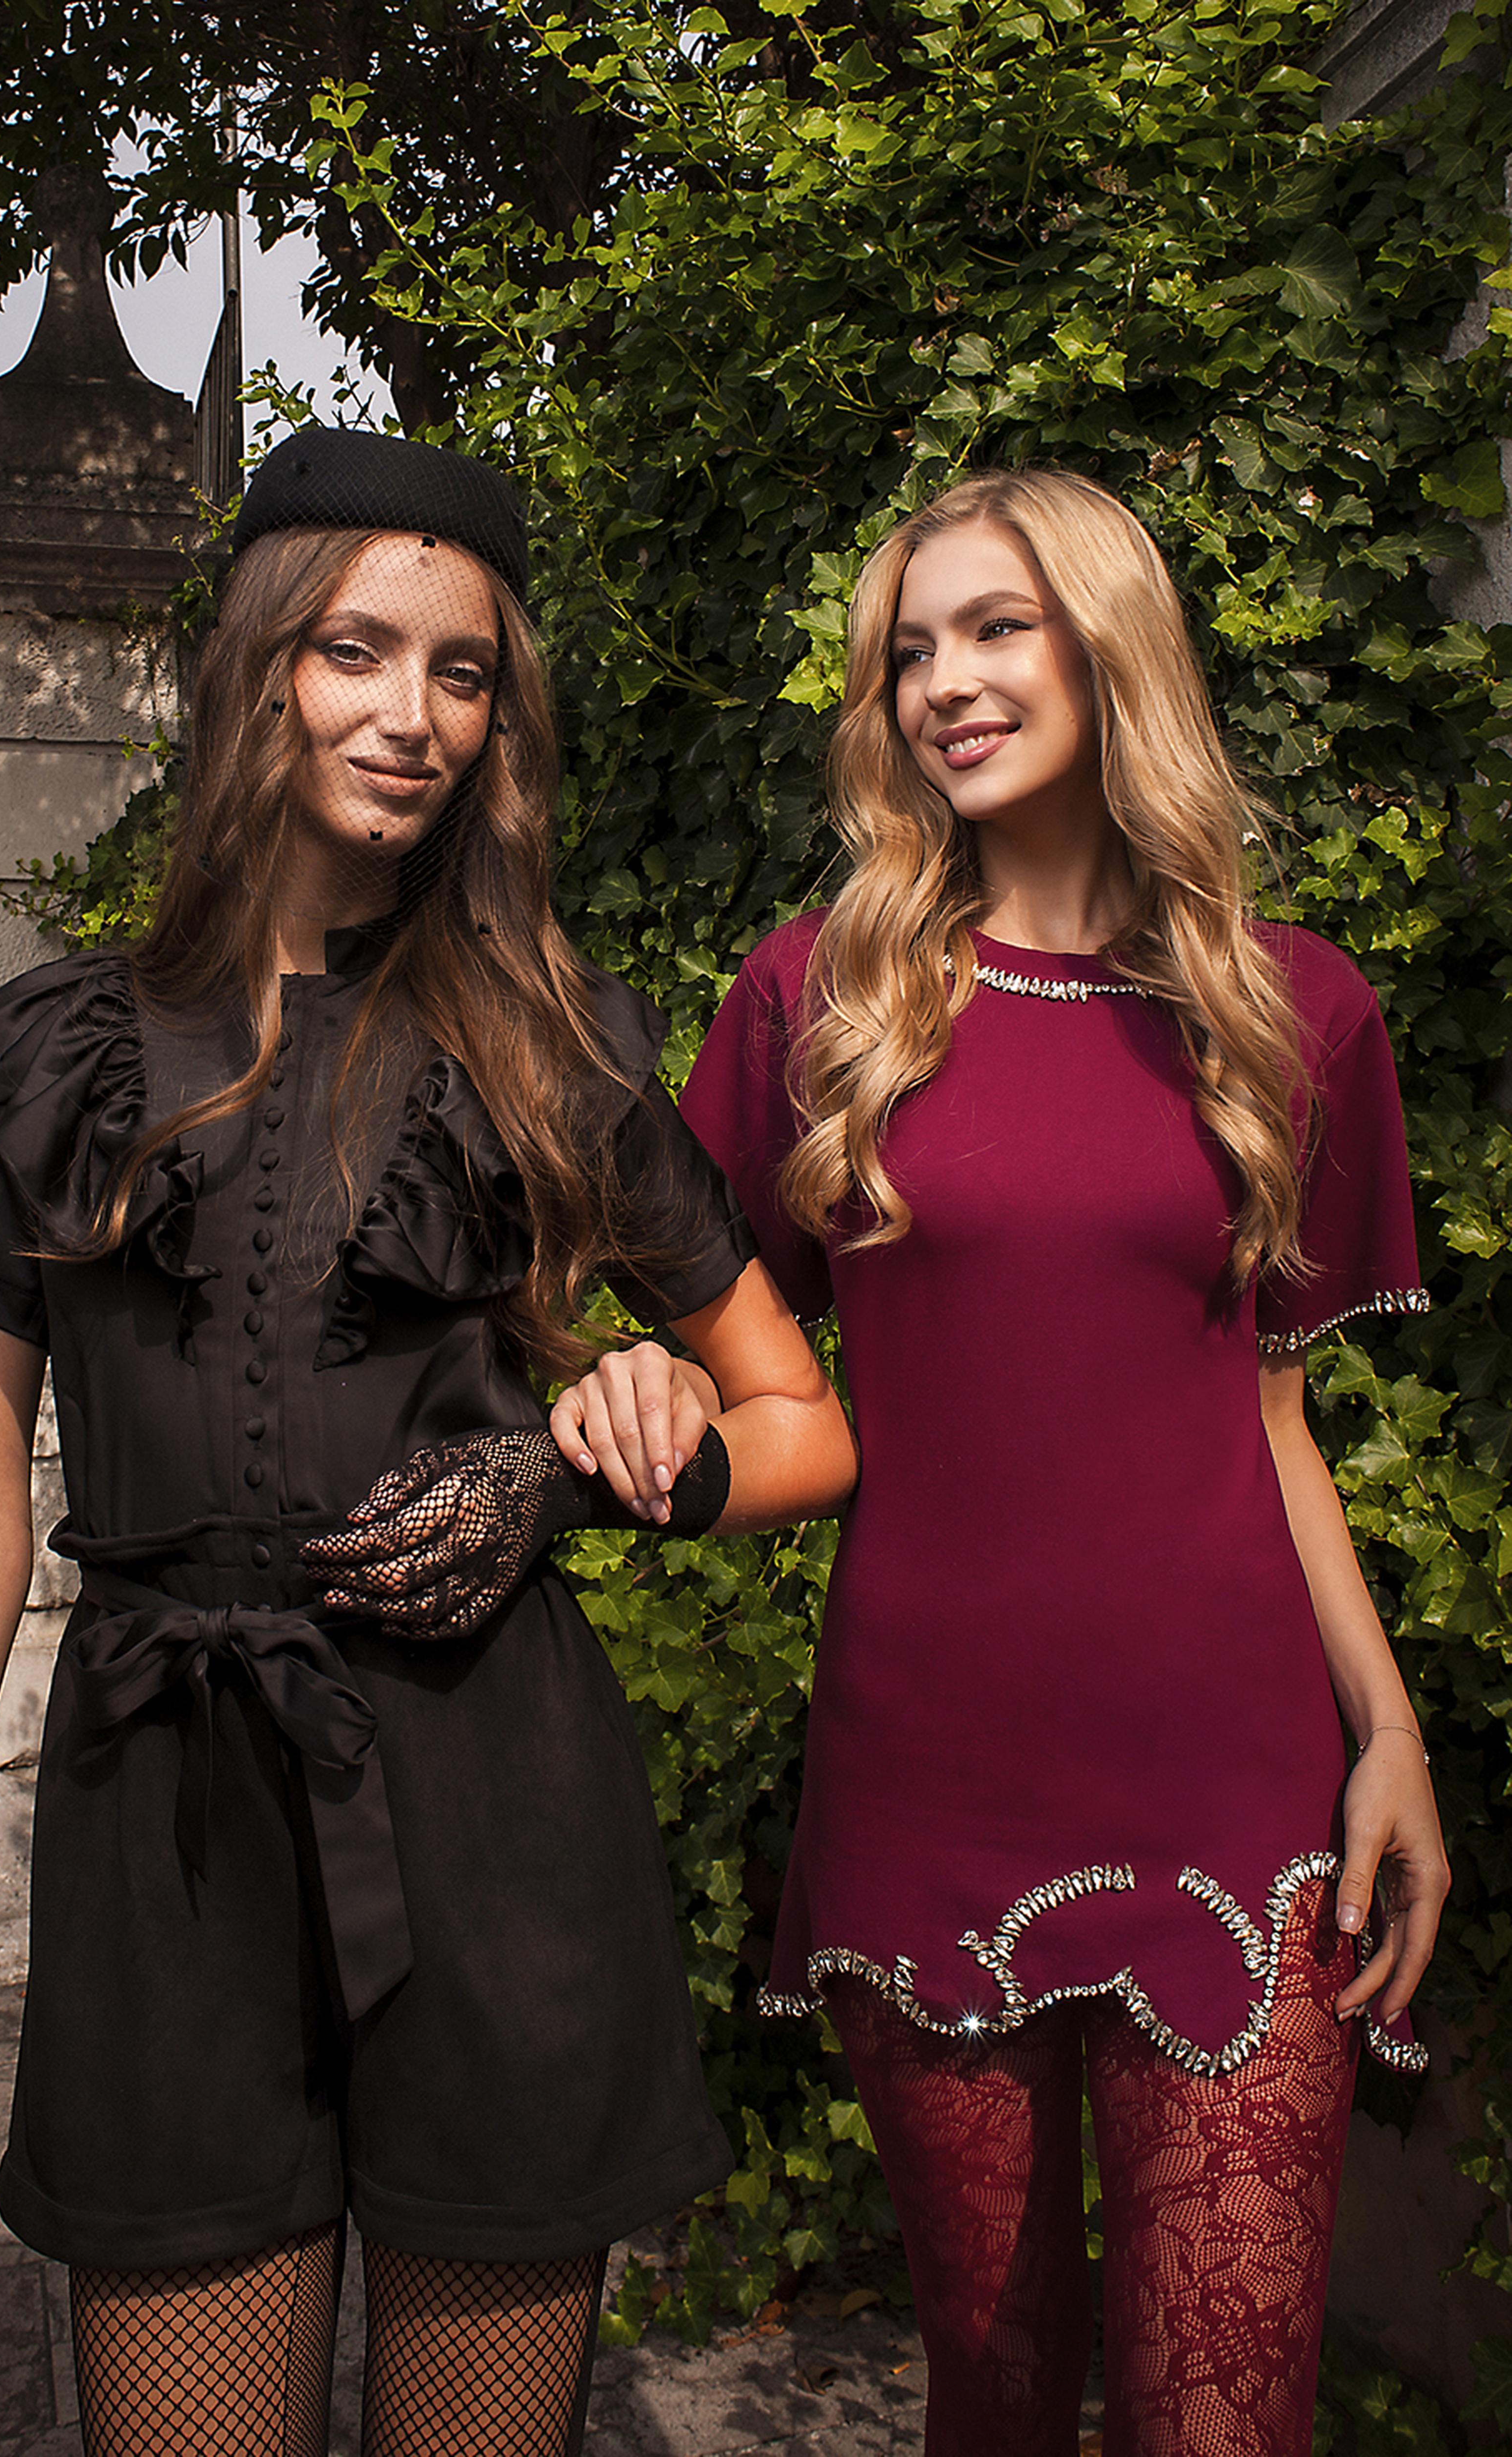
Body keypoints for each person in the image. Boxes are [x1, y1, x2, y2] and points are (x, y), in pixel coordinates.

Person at [0, 425, 856, 2457]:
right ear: (259, 665)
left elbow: (806, 1420)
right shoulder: (42, 1055)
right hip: (162, 1835)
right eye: (358, 651)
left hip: (496, 1816)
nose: (413, 716)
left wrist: (576, 1475)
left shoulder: (544, 1040)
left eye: (462, 672)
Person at [561, 468, 1450, 2457]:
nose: (945, 682)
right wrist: (637, 1389)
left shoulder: (1290, 1007)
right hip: (928, 1790)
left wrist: (1387, 1730)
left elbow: (1275, 1421)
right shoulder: (821, 998)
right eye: (911, 650)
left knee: (1227, 2419)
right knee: (994, 2391)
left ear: (1109, 647)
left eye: (995, 628)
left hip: (1243, 1797)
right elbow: (729, 1366)